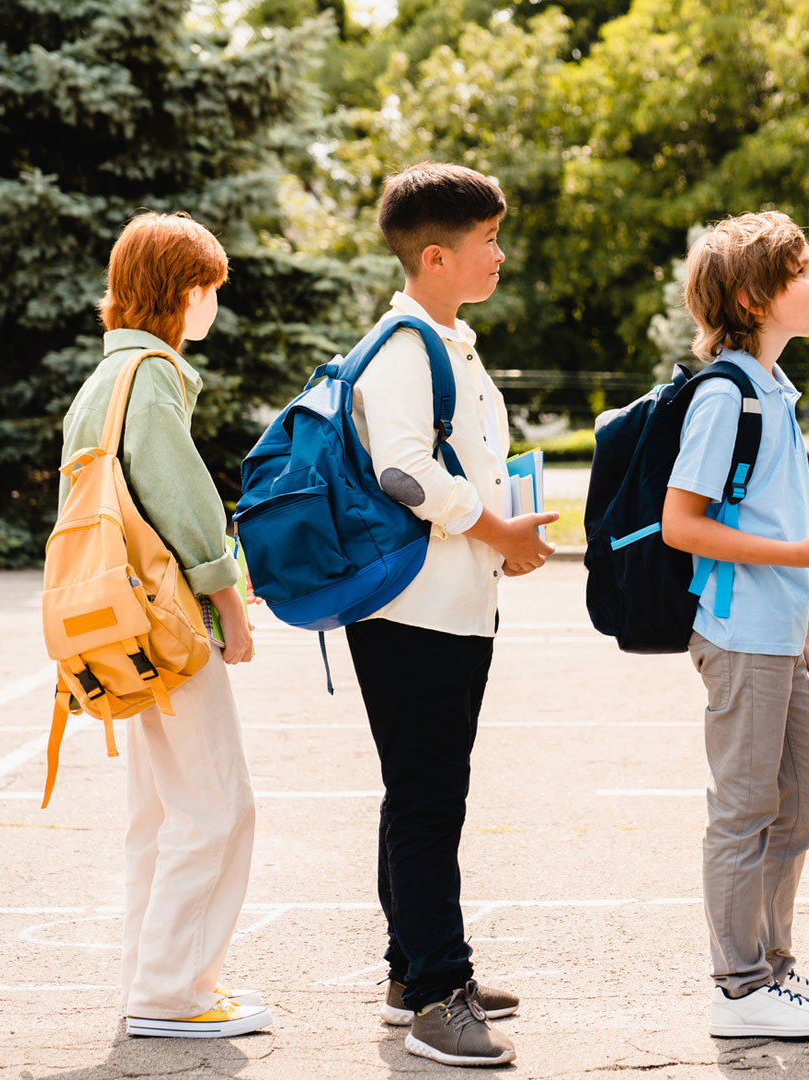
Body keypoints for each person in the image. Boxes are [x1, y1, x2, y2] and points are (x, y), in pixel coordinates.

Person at [347, 162, 558, 1068]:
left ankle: (414, 972)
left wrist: (502, 532)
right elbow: (402, 471)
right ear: (435, 256)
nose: (500, 255)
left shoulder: (447, 341)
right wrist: (498, 527)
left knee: (421, 795)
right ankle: (438, 993)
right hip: (414, 613)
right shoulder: (404, 351)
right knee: (431, 800)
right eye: (488, 242)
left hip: (446, 608)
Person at [658, 211, 809, 1039]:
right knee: (746, 810)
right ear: (754, 296)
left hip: (777, 635)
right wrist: (806, 557)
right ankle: (738, 987)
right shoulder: (727, 395)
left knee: (800, 806)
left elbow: (769, 525)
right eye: (803, 271)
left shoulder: (772, 389)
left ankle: (772, 969)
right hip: (740, 637)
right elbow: (684, 524)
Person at [59, 212, 270, 1038]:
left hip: (113, 623)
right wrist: (228, 606)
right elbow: (186, 507)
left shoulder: (101, 381)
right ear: (184, 292)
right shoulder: (153, 375)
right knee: (218, 803)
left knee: (159, 810)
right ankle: (174, 994)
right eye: (211, 288)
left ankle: (152, 982)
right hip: (166, 623)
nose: (216, 302)